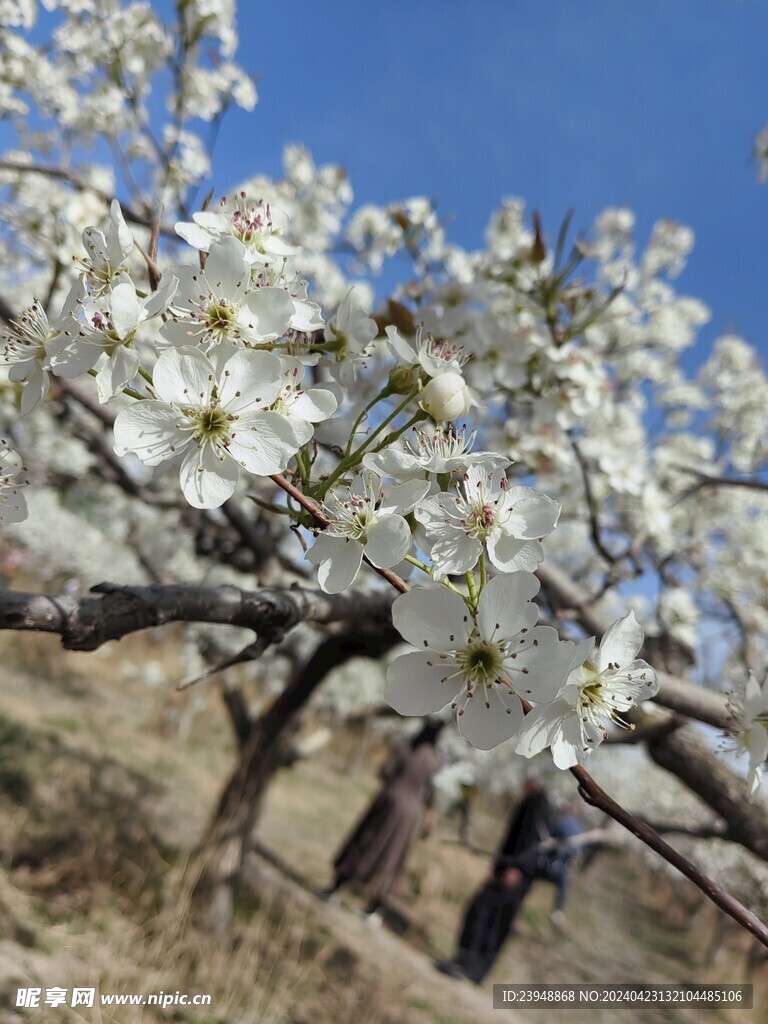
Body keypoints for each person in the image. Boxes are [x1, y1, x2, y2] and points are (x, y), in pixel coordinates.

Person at [322, 719, 444, 924]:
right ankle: (374, 907)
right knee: (394, 857)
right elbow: (432, 793)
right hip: (411, 813)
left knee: (365, 842)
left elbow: (385, 772)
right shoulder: (435, 760)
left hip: (389, 802)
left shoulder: (405, 748)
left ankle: (336, 887)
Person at [437, 780, 555, 983]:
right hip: (509, 869)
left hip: (515, 874)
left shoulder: (540, 805)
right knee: (484, 913)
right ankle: (467, 963)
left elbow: (533, 842)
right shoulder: (532, 801)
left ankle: (470, 966)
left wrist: (516, 868)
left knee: (488, 916)